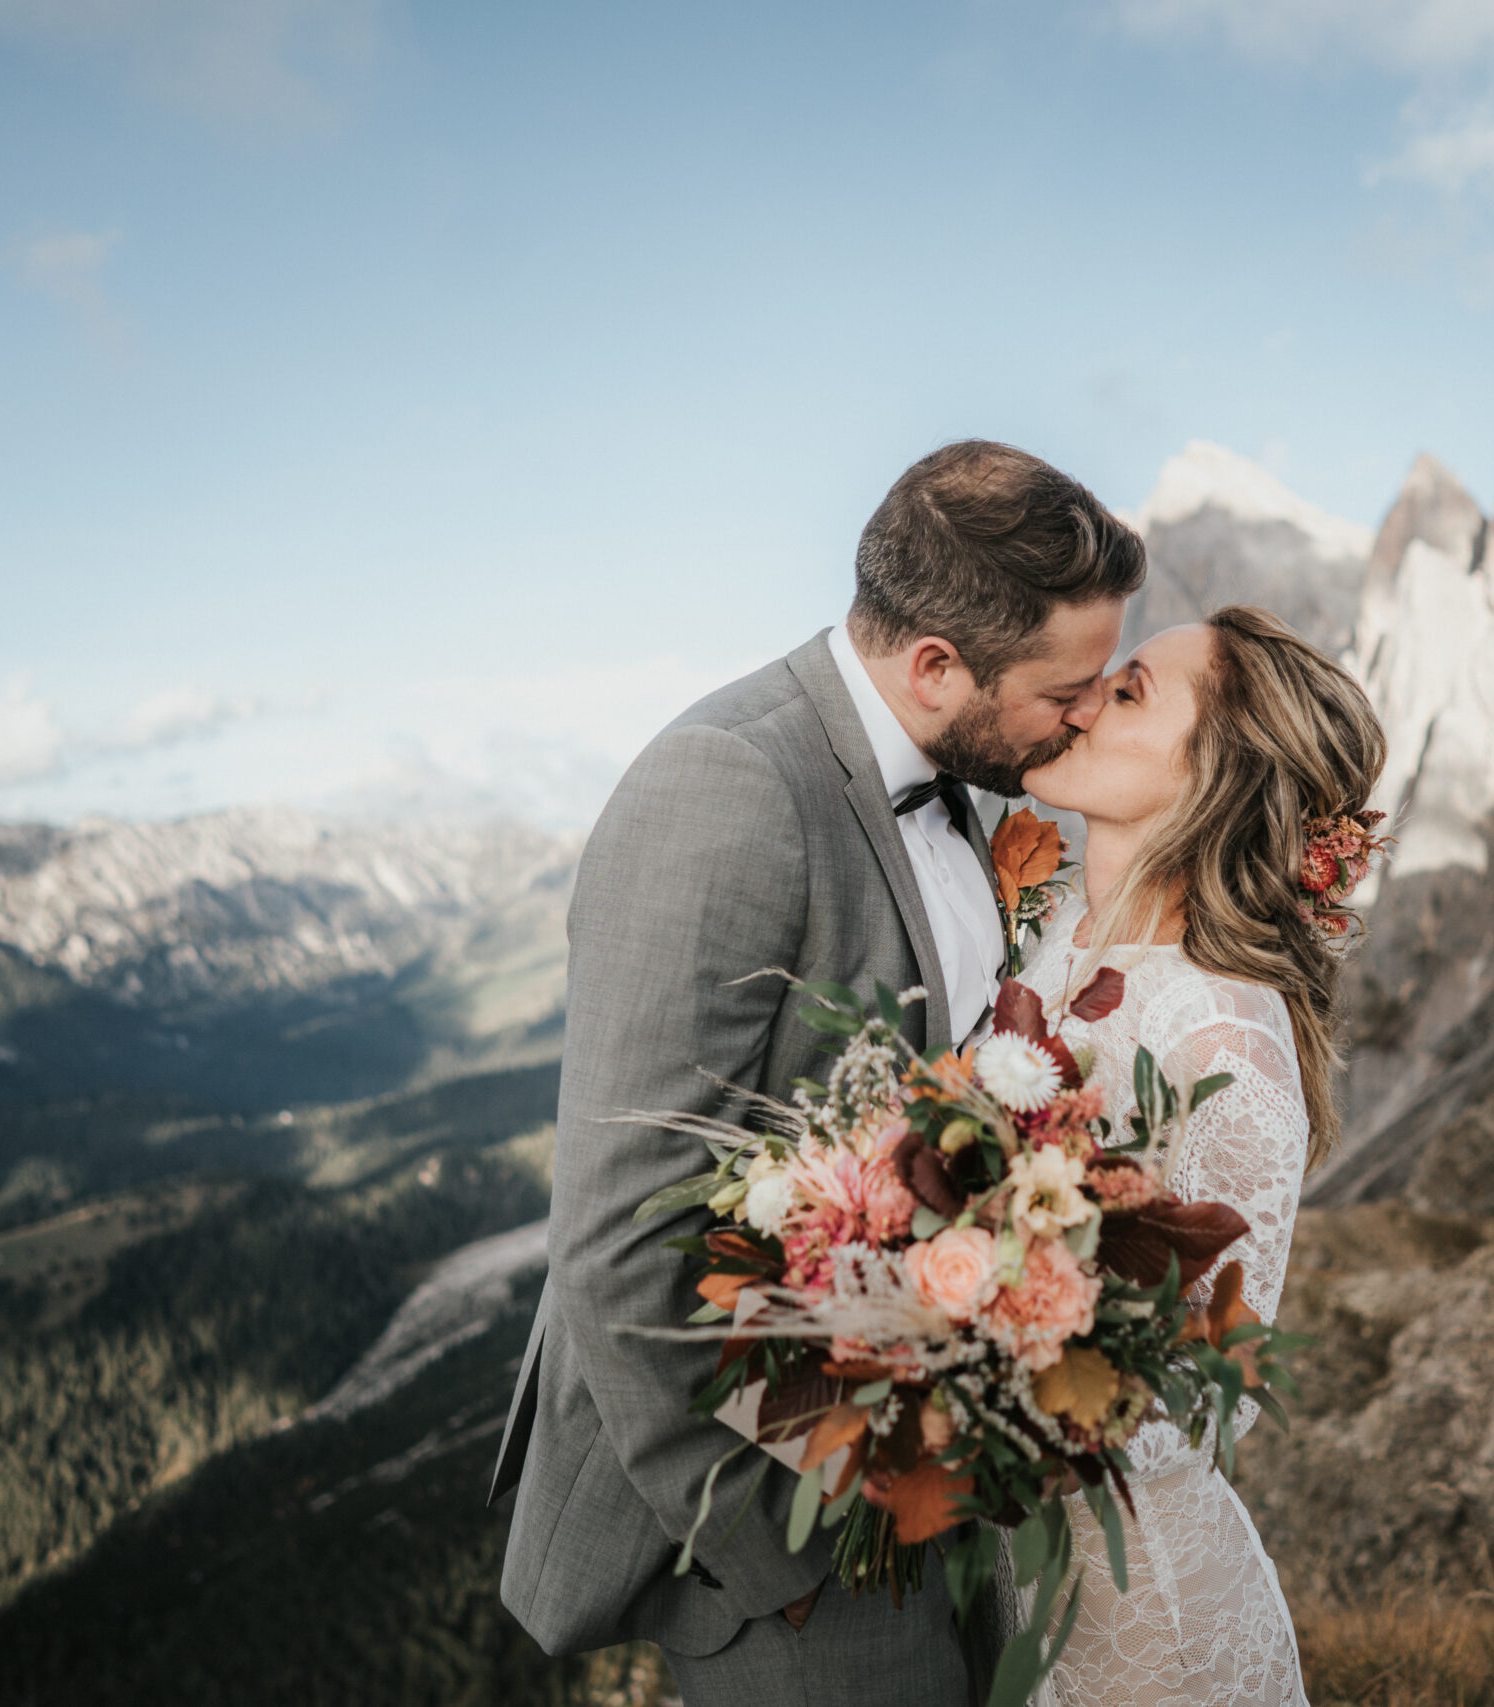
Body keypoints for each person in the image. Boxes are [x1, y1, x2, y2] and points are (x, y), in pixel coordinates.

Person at [488, 440, 1146, 1707]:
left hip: (935, 1462)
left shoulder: (960, 778)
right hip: (785, 1525)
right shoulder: (727, 784)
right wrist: (782, 1536)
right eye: (1065, 688)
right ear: (936, 666)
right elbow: (621, 1235)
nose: (1083, 713)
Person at [998, 604, 1387, 1706]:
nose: (1082, 697)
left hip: (1141, 1634)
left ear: (1218, 775)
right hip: (1008, 1581)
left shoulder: (1221, 1040)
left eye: (1126, 693)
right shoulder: (1058, 919)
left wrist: (964, 1367)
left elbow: (1214, 1400)